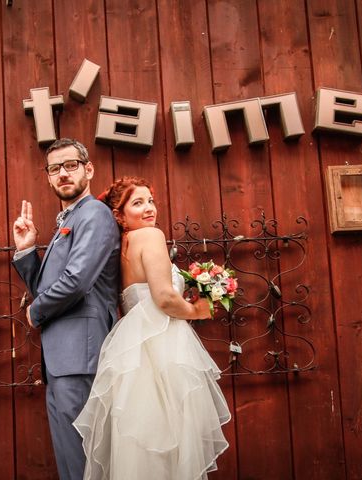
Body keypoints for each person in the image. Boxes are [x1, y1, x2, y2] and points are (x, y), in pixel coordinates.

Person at [73, 177, 231, 480]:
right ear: (118, 215)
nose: (149, 209)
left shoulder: (121, 248)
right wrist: (199, 310)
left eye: (150, 201)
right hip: (161, 340)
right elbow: (164, 298)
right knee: (170, 434)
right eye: (137, 203)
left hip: (132, 344)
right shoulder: (151, 235)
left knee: (141, 435)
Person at [12, 138, 120, 480]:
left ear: (88, 169)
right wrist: (27, 250)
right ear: (48, 177)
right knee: (72, 458)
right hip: (64, 358)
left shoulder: (95, 214)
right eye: (54, 168)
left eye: (70, 165)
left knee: (85, 458)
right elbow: (49, 286)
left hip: (82, 354)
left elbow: (76, 282)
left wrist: (35, 311)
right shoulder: (67, 220)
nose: (62, 173)